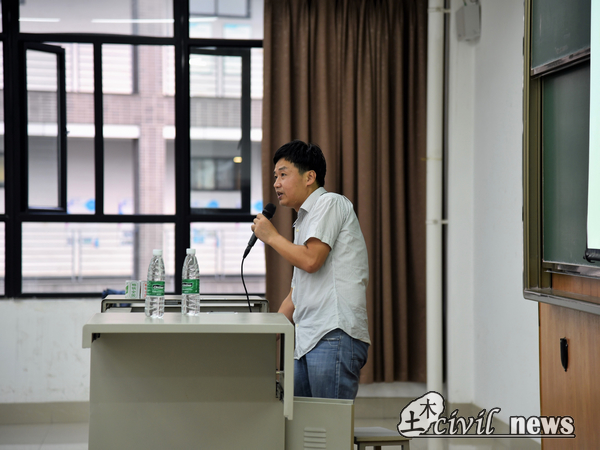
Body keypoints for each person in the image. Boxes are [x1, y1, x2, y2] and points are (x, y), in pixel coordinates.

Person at [251, 139, 370, 400]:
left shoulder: (330, 203)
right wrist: (266, 339)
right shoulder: (303, 221)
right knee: (304, 423)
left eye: (283, 175)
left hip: (333, 333)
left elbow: (311, 261)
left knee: (327, 424)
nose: (276, 184)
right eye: (275, 177)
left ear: (309, 177)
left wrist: (271, 237)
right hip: (307, 339)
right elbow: (297, 294)